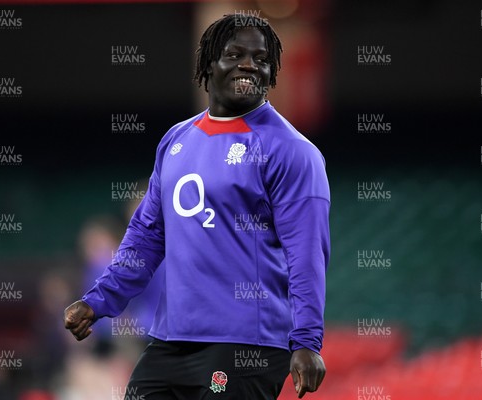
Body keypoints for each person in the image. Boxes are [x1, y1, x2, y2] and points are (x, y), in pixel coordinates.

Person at [64, 13, 330, 400]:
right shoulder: (176, 140)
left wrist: (307, 341)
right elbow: (147, 236)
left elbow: (306, 254)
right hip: (171, 338)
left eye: (261, 59)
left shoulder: (293, 152)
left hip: (245, 343)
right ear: (207, 64)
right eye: (235, 54)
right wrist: (100, 300)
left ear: (273, 72)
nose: (249, 65)